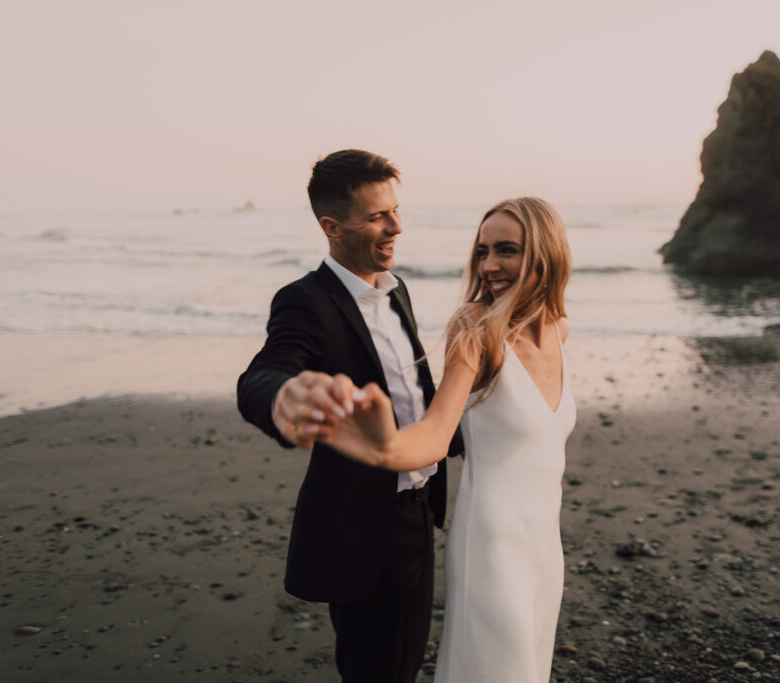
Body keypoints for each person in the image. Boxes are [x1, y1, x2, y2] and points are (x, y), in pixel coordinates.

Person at [308, 196, 576, 682]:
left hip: (544, 543)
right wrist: (381, 446)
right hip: (492, 544)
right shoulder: (474, 328)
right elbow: (436, 432)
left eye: (506, 250)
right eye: (482, 251)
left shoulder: (560, 328)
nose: (490, 265)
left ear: (546, 252)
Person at [236, 149, 462, 683]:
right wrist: (281, 397)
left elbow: (409, 385)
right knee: (375, 667)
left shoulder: (396, 288)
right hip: (363, 523)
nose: (396, 227)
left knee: (403, 655)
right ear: (331, 227)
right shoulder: (304, 302)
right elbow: (263, 373)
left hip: (417, 509)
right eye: (378, 217)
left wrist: (456, 434)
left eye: (396, 211)